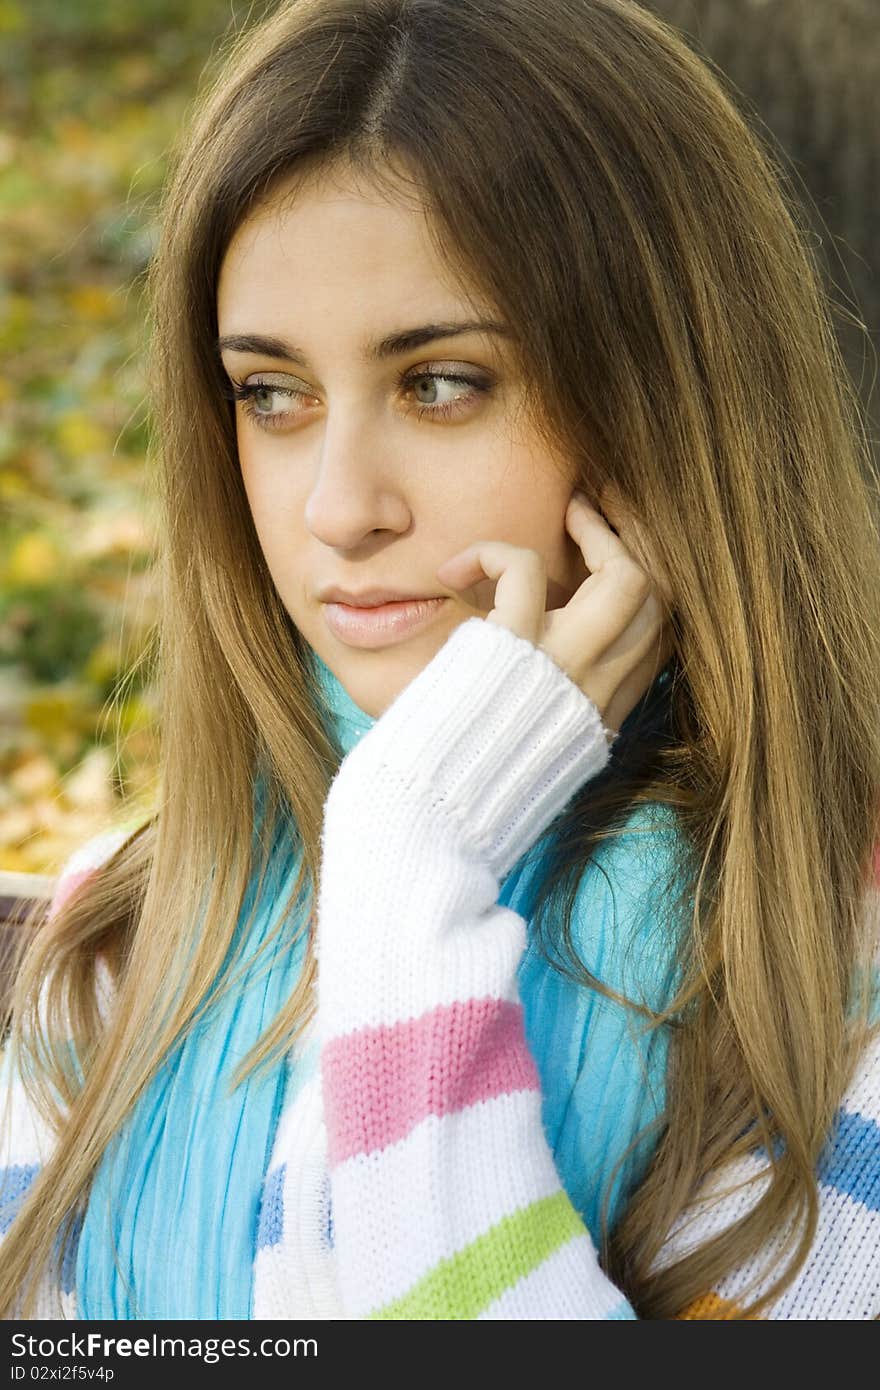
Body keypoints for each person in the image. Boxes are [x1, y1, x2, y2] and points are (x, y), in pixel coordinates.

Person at [1, 0, 878, 1321]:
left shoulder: (829, 965)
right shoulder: (132, 938)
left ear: (663, 406)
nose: (339, 508)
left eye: (443, 383)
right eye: (271, 394)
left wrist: (410, 874)